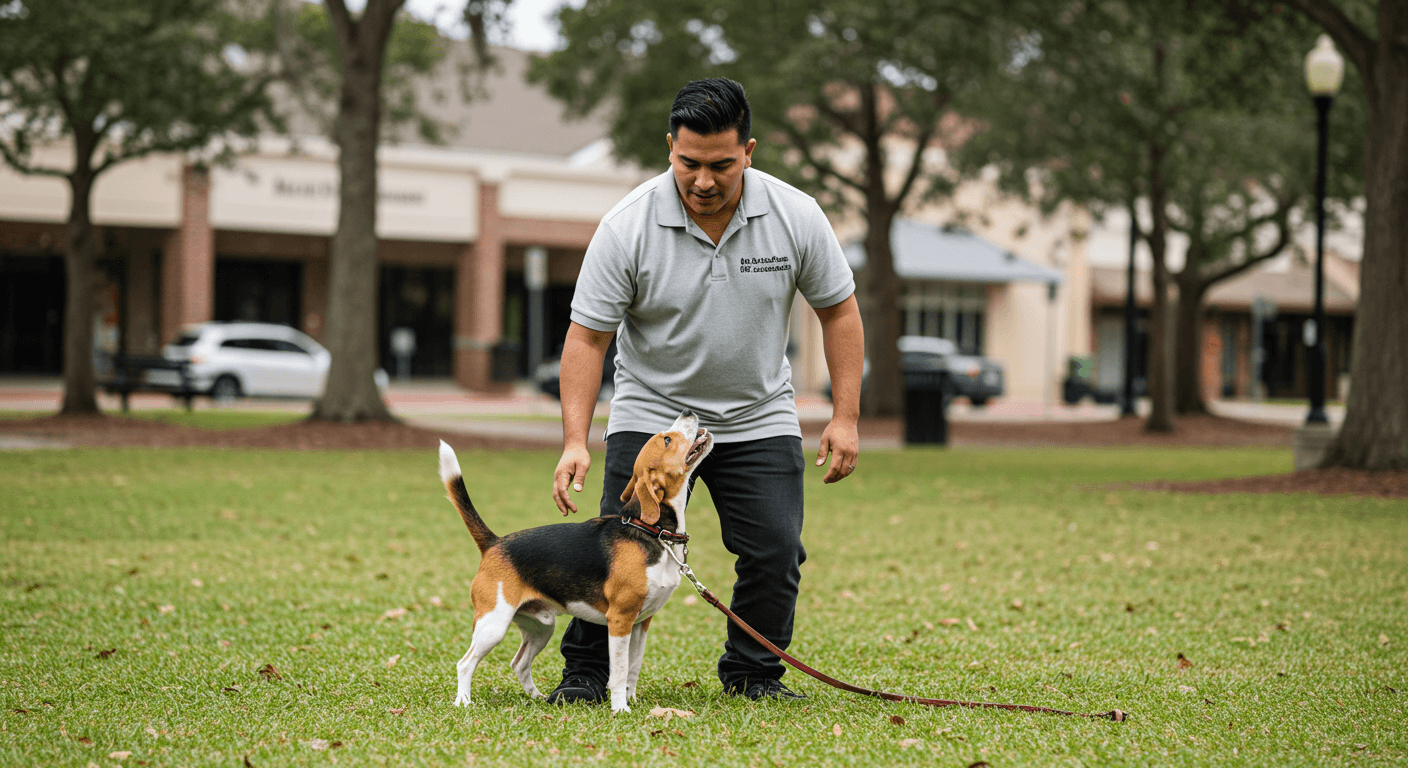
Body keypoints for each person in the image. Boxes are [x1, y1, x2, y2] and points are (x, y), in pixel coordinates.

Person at [548, 77, 864, 703]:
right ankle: (585, 675)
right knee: (616, 543)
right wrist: (574, 440)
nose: (703, 180)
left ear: (749, 150)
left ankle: (753, 674)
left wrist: (845, 416)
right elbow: (587, 339)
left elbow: (840, 312)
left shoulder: (796, 216)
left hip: (757, 412)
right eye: (688, 162)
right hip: (653, 409)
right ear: (670, 147)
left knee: (775, 551)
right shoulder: (627, 226)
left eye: (721, 164)